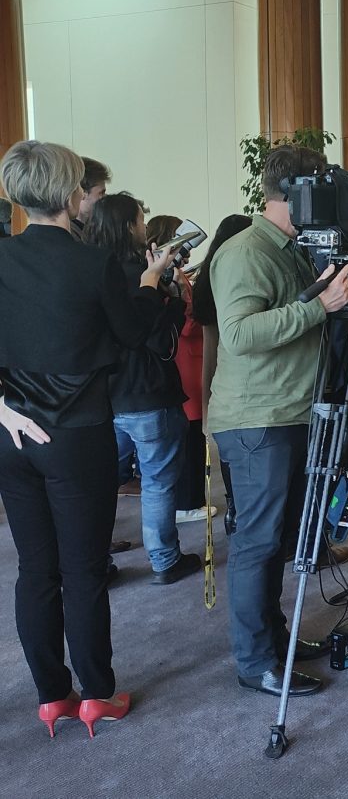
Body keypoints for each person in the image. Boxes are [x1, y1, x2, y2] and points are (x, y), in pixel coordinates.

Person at [0, 140, 176, 737]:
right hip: (78, 436)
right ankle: (97, 693)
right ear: (70, 194)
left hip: (14, 436)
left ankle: (52, 697)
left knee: (35, 570)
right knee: (81, 572)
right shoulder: (90, 262)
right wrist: (152, 282)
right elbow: (132, 334)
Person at [208, 145, 348, 698]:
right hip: (257, 419)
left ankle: (276, 637)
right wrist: (319, 307)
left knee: (280, 539)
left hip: (289, 412)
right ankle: (255, 661)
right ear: (295, 193)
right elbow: (241, 335)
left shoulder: (291, 248)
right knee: (258, 543)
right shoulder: (246, 252)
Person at [86, 194, 201, 585]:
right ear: (127, 226)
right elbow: (152, 337)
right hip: (149, 392)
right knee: (157, 481)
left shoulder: (92, 270)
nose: (143, 226)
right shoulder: (143, 272)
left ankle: (94, 560)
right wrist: (168, 295)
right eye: (139, 220)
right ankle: (165, 560)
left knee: (100, 483)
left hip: (104, 397)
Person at [145, 215, 213, 524]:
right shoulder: (165, 278)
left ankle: (190, 500)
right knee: (189, 438)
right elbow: (184, 324)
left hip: (192, 360)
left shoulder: (175, 274)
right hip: (187, 360)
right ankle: (187, 503)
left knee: (192, 436)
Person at [191, 213, 253, 525]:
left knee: (231, 459)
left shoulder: (206, 284)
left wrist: (207, 408)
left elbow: (209, 353)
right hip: (249, 388)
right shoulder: (244, 280)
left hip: (223, 393)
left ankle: (235, 512)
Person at [70, 156, 110, 240]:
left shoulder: (92, 230)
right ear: (82, 192)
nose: (105, 198)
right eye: (101, 193)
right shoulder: (69, 235)